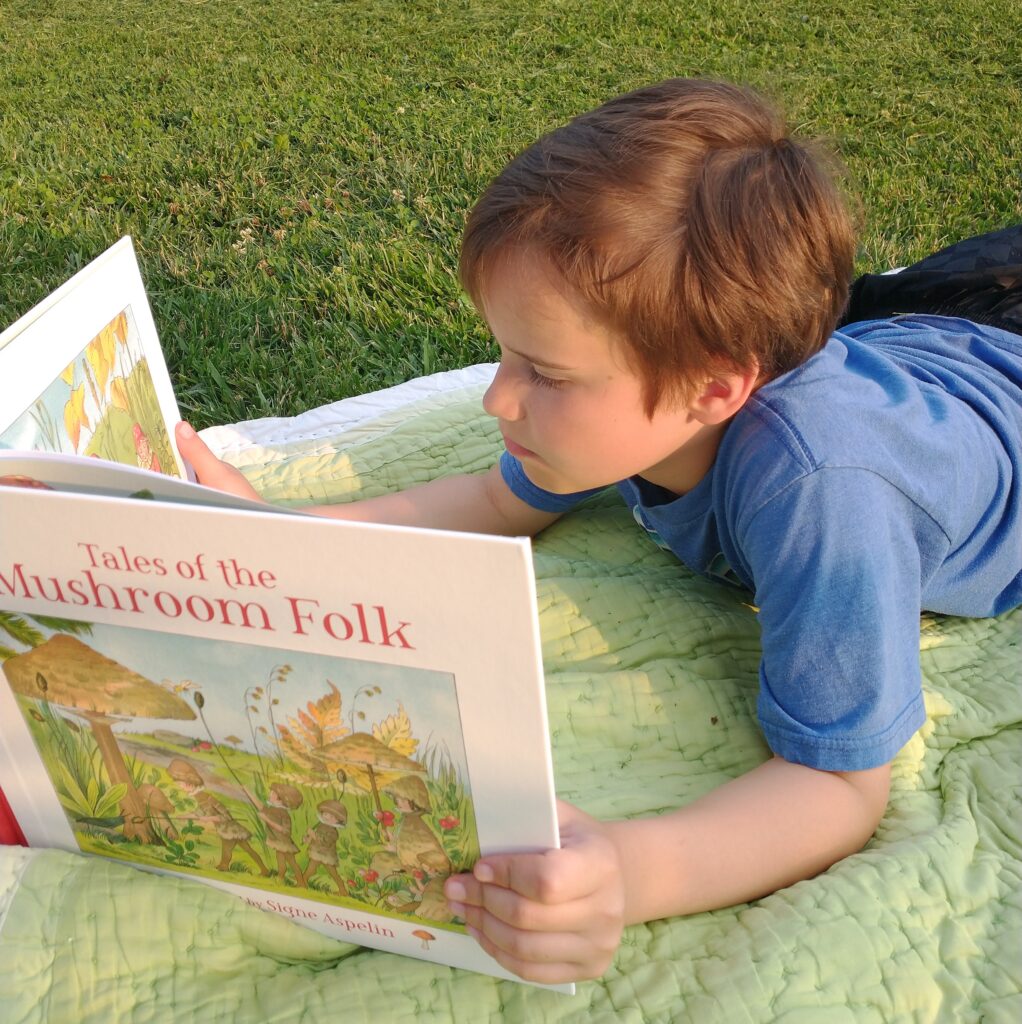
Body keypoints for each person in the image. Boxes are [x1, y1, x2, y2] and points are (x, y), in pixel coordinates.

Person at [175, 78, 1022, 985]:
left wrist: (624, 868)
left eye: (544, 371)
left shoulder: (823, 492)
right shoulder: (630, 417)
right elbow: (494, 504)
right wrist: (269, 534)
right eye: (504, 355)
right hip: (933, 327)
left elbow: (842, 785)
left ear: (713, 390)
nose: (498, 398)